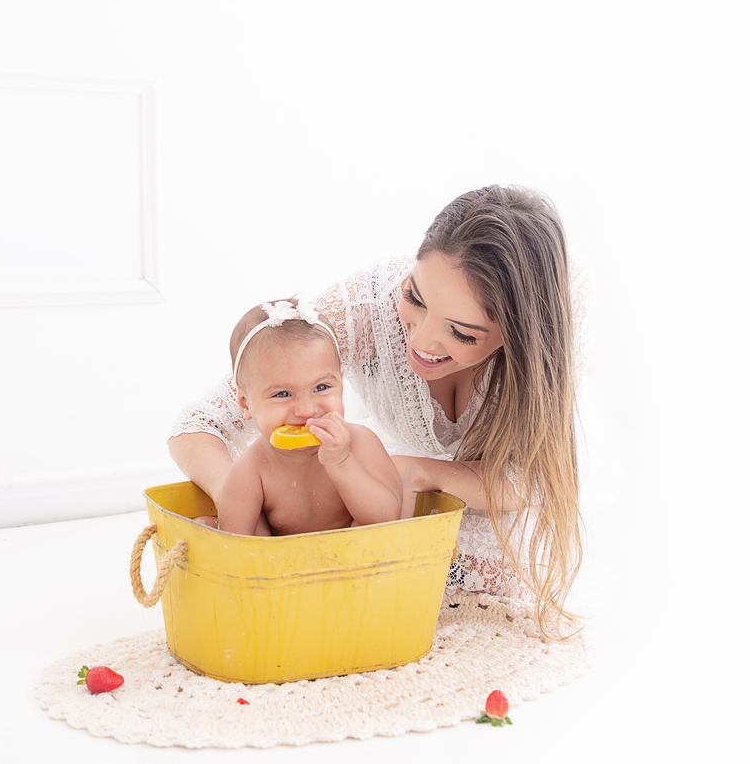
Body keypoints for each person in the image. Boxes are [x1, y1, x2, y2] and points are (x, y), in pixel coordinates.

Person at [170, 185, 587, 637]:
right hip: (367, 490)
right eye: (415, 298)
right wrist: (247, 507)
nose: (421, 342)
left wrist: (416, 473)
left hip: (473, 494)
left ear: (518, 335)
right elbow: (196, 425)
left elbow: (528, 480)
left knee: (507, 572)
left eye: (462, 333)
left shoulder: (554, 335)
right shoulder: (365, 308)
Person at [207, 298, 402, 536]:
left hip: (357, 565)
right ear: (246, 404)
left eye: (321, 387)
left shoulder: (360, 443)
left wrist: (341, 462)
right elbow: (235, 550)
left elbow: (388, 518)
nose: (307, 410)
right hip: (283, 567)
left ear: (340, 384)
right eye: (283, 394)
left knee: (367, 530)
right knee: (227, 528)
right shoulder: (251, 470)